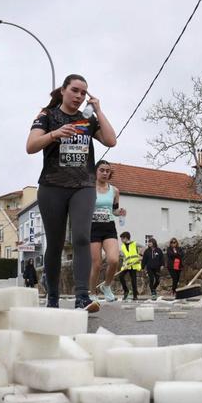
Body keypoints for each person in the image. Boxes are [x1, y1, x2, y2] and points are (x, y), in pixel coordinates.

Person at [26, 73, 117, 312]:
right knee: (55, 244)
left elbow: (110, 140)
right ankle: (53, 297)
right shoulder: (47, 115)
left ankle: (82, 297)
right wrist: (55, 134)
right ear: (64, 90)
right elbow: (30, 146)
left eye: (83, 93)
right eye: (75, 90)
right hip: (52, 186)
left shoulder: (87, 120)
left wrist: (98, 110)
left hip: (83, 186)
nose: (79, 96)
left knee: (81, 238)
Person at [89, 160, 125, 303]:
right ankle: (92, 292)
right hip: (93, 227)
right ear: (96, 171)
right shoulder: (89, 188)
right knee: (96, 264)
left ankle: (106, 286)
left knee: (114, 260)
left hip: (108, 226)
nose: (105, 173)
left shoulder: (114, 191)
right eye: (102, 170)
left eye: (107, 171)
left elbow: (114, 210)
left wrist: (120, 212)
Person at [118, 231, 142, 302]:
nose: (121, 241)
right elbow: (124, 257)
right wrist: (125, 265)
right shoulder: (122, 246)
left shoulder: (135, 243)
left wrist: (141, 255)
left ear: (126, 238)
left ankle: (135, 296)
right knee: (121, 276)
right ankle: (126, 291)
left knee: (133, 280)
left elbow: (144, 248)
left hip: (134, 265)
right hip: (127, 265)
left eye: (122, 239)